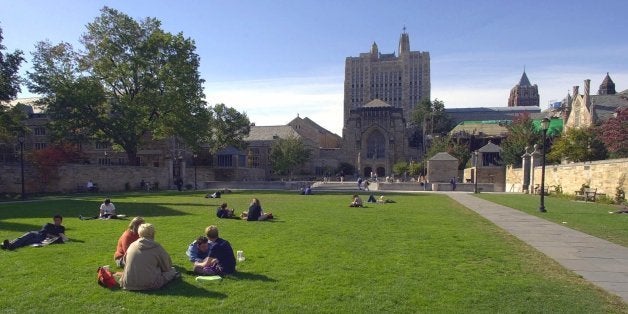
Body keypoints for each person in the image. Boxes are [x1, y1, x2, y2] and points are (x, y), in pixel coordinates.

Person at [120, 223, 179, 290]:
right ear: (153, 234)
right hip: (150, 284)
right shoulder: (156, 247)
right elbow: (167, 267)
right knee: (172, 271)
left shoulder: (132, 245)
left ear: (139, 234)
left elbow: (125, 262)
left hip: (128, 283)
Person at [2, 215, 68, 250]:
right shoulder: (48, 224)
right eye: (55, 220)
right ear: (53, 220)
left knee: (26, 242)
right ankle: (10, 245)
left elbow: (63, 237)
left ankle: (9, 245)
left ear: (61, 221)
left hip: (42, 238)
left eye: (58, 220)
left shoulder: (62, 228)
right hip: (37, 234)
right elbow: (44, 232)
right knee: (23, 238)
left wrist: (55, 236)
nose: (57, 222)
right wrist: (53, 235)